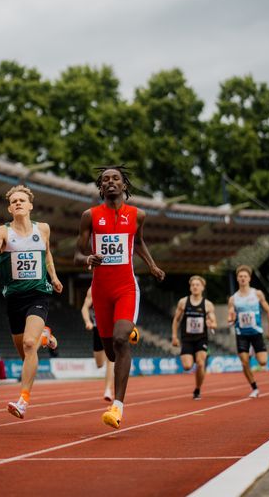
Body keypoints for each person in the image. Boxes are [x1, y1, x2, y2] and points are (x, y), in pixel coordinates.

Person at [74, 165, 165, 429]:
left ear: (124, 185)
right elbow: (77, 254)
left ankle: (117, 406)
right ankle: (128, 333)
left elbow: (137, 242)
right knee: (112, 354)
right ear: (100, 188)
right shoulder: (89, 216)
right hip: (100, 291)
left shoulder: (138, 215)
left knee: (120, 338)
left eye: (116, 178)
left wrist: (152, 265)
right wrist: (87, 258)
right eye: (105, 180)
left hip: (125, 287)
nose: (111, 182)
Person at [0, 184, 63, 419]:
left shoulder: (44, 229)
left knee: (30, 344)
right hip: (14, 299)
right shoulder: (2, 232)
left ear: (30, 206)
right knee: (26, 353)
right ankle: (45, 337)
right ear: (10, 208)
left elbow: (47, 253)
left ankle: (23, 401)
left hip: (38, 294)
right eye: (14, 201)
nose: (18, 203)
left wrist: (54, 277)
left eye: (22, 200)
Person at [228, 264, 269, 398]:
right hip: (241, 333)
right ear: (237, 279)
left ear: (249, 278)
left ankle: (253, 350)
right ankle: (254, 387)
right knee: (244, 361)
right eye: (240, 276)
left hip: (256, 333)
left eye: (245, 276)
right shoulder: (233, 299)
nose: (243, 278)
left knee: (263, 362)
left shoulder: (257, 293)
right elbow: (230, 319)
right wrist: (231, 319)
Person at [171, 275, 217, 400]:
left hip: (201, 338)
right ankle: (196, 385)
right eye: (193, 285)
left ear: (202, 287)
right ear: (190, 287)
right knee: (187, 366)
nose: (195, 287)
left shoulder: (208, 305)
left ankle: (197, 389)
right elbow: (176, 320)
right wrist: (174, 336)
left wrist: (211, 323)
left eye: (197, 285)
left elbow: (214, 323)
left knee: (201, 364)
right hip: (186, 338)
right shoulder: (183, 302)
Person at [81, 286, 115, 402]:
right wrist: (87, 322)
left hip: (112, 326)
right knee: (99, 364)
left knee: (111, 359)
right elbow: (84, 308)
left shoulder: (114, 286)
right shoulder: (92, 289)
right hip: (98, 328)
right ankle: (107, 354)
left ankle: (108, 390)